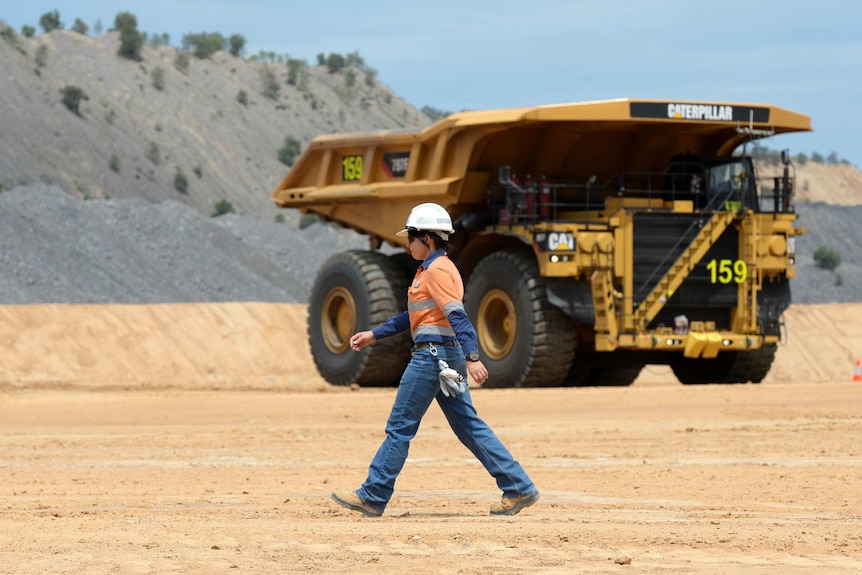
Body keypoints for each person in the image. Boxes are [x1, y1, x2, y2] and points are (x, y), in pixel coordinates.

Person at [331, 202, 540, 517]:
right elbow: (414, 316)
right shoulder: (430, 271)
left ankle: (373, 495)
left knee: (400, 427)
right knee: (469, 426)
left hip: (432, 359)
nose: (407, 243)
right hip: (445, 359)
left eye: (411, 237)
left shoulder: (438, 270)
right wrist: (374, 334)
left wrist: (473, 357)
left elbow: (457, 315)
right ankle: (518, 487)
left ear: (427, 238)